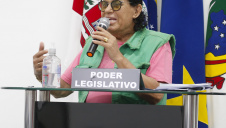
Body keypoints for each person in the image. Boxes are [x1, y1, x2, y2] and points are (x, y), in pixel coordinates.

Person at [33, 0, 175, 105]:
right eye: (104, 4)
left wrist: (118, 57)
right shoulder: (93, 42)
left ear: (136, 11)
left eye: (116, 5)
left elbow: (157, 94)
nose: (107, 10)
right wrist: (44, 75)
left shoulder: (157, 43)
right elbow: (62, 90)